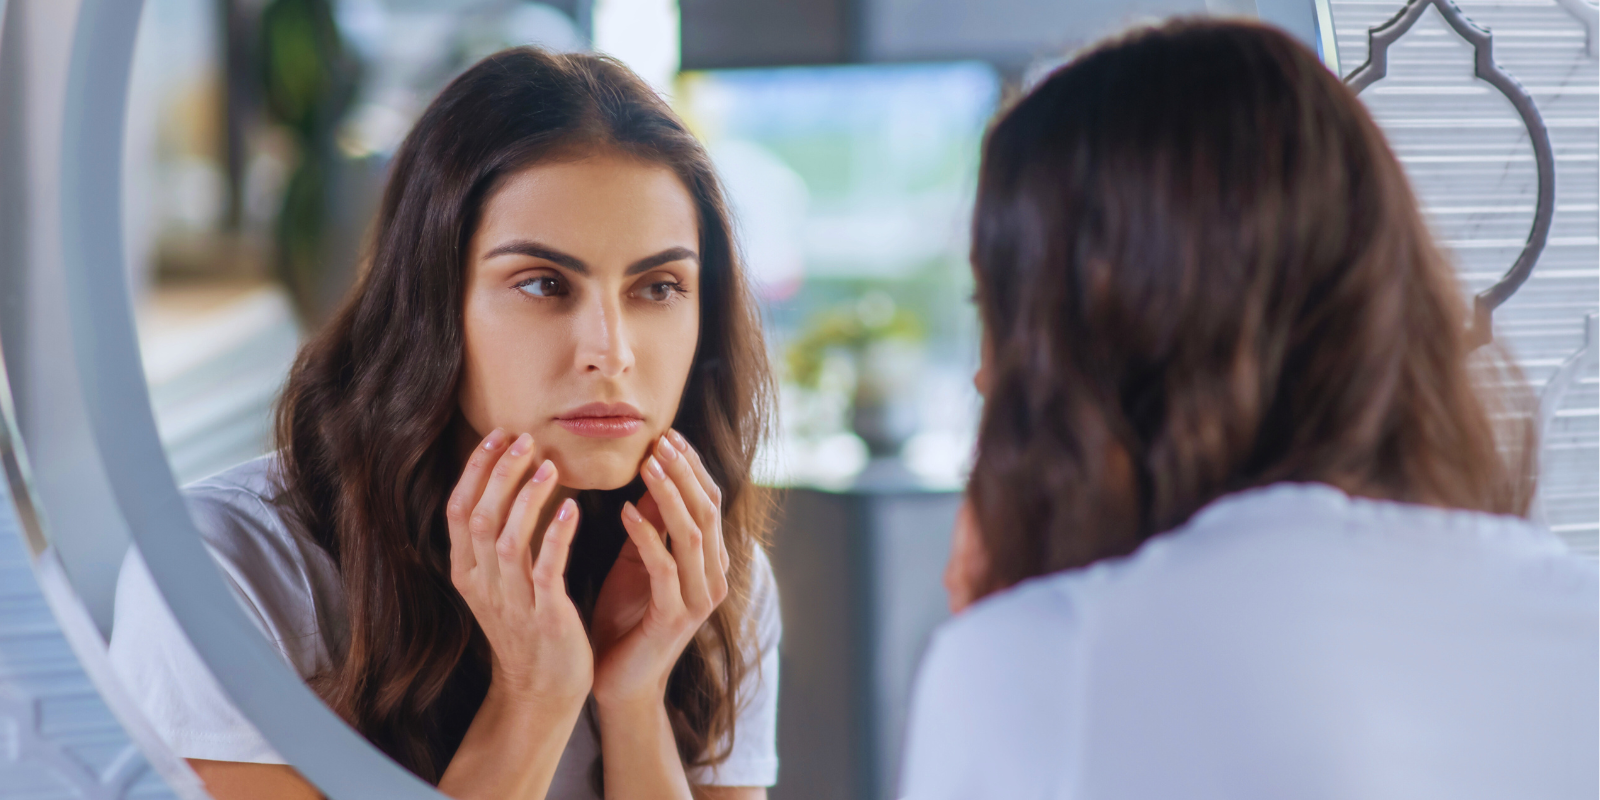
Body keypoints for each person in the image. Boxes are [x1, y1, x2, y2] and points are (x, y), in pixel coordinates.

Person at [905, 19, 1597, 800]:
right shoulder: (1577, 622)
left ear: (1104, 329)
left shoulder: (1038, 665)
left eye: (1000, 312)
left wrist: (994, 637)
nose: (983, 379)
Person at [110, 48, 779, 800]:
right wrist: (532, 698)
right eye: (543, 283)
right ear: (432, 307)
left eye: (658, 286)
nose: (612, 354)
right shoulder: (220, 573)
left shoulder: (693, 574)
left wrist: (634, 702)